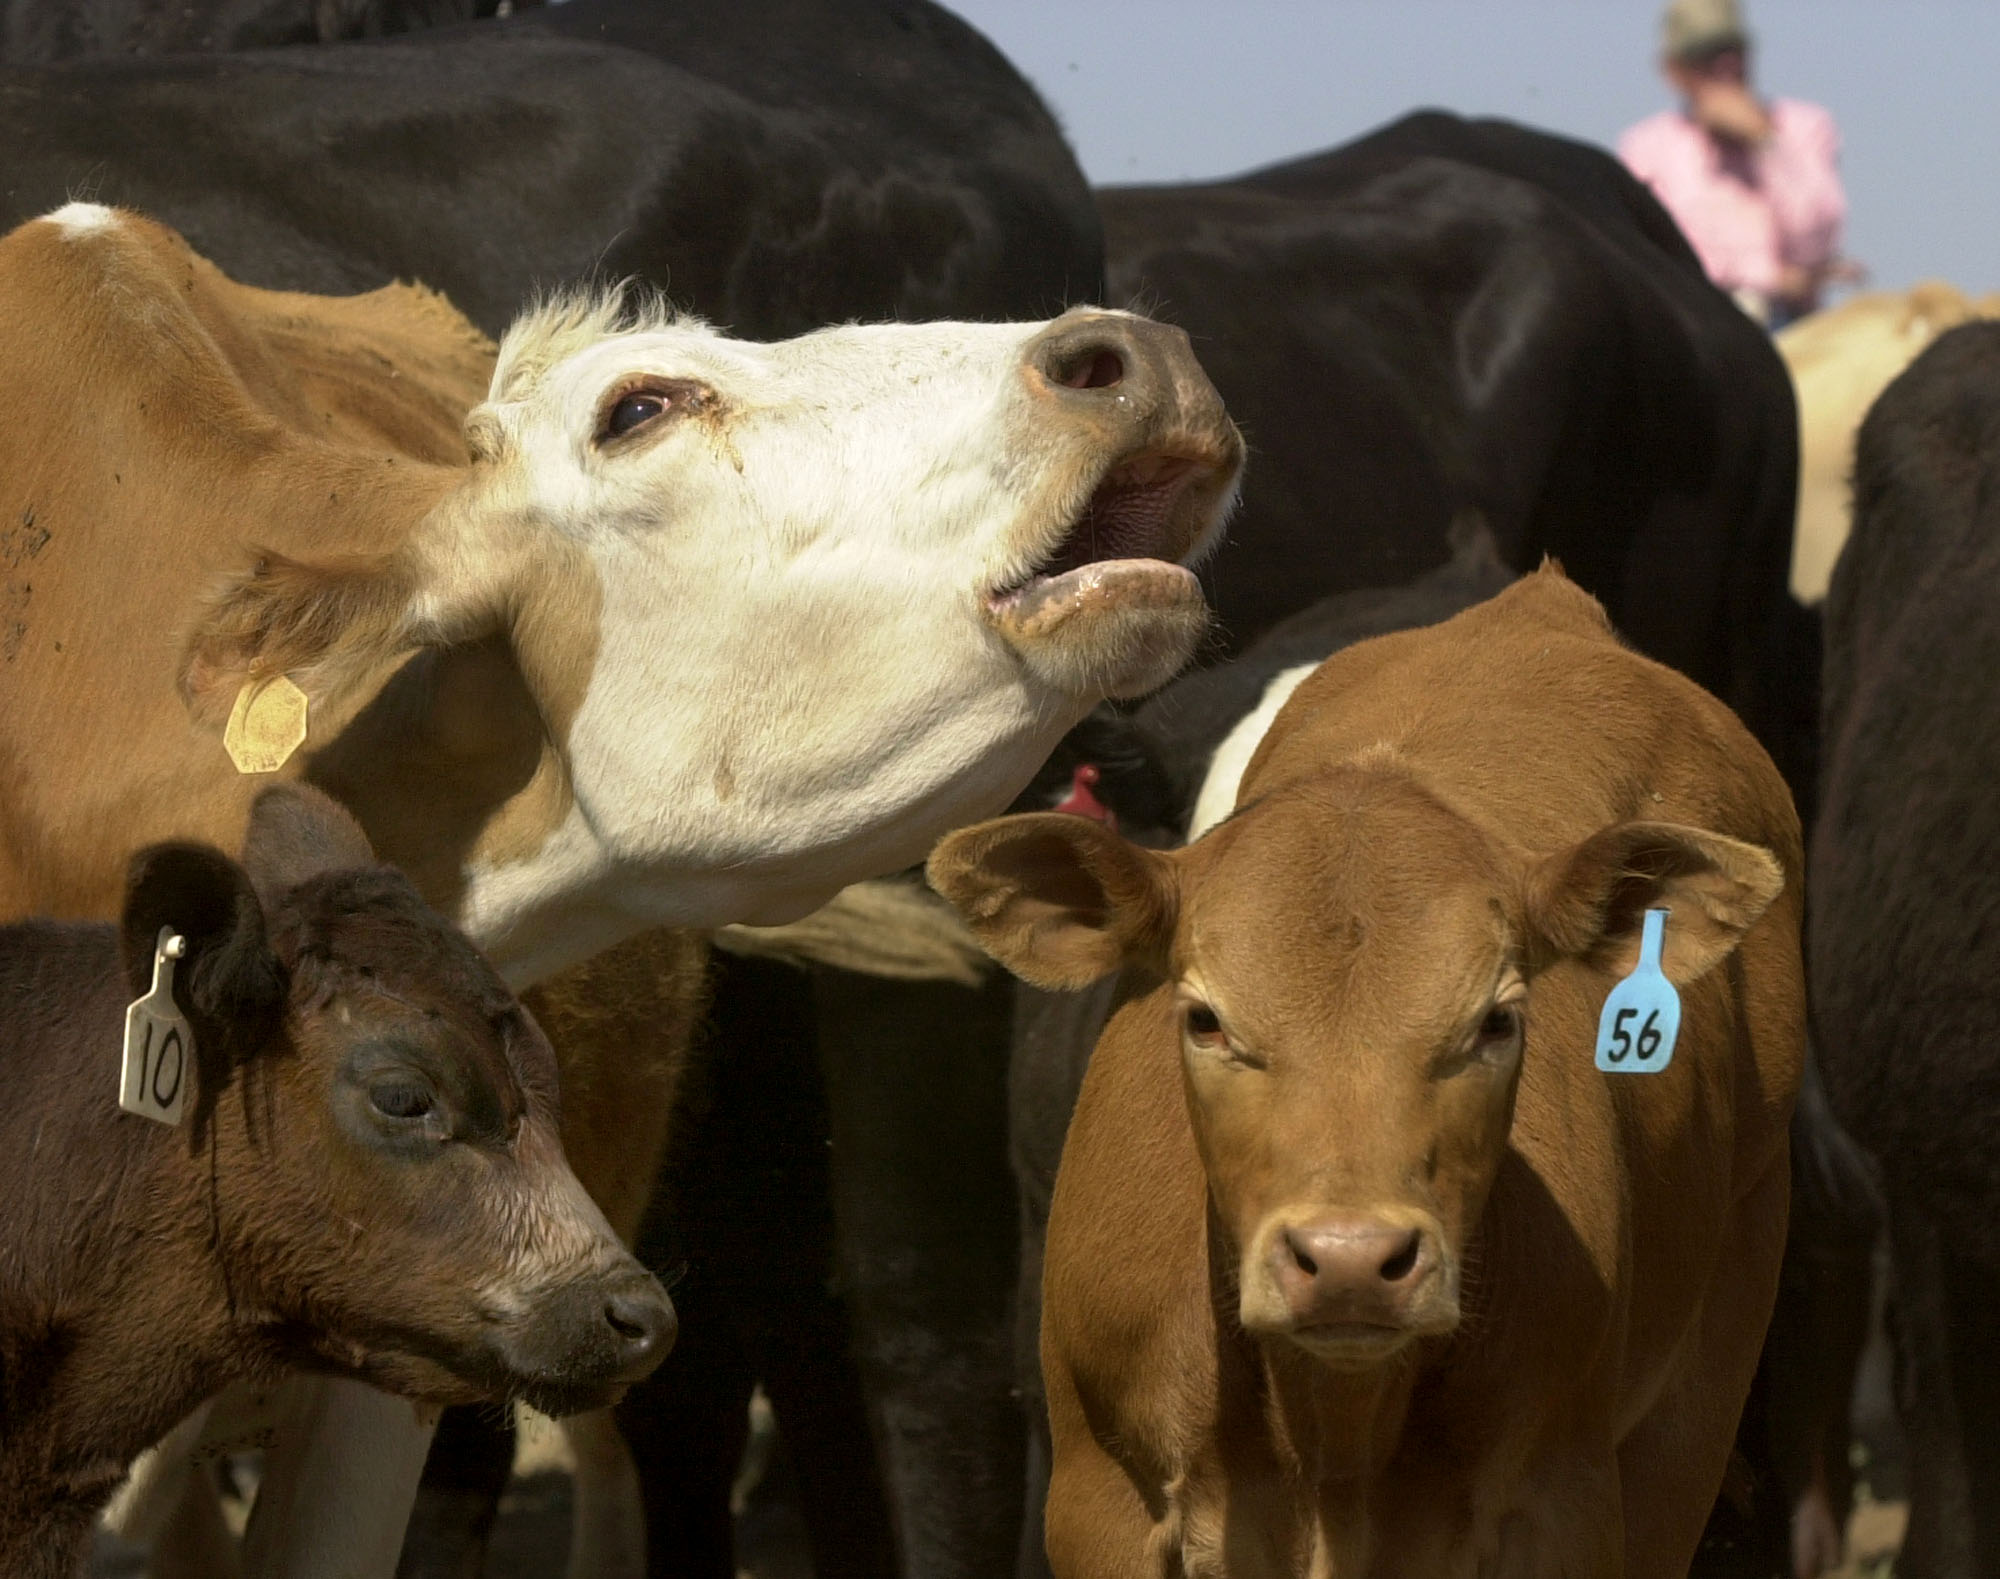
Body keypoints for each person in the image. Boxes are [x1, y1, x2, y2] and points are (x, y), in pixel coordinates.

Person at [1619, 0, 1859, 327]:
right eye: (1706, 57)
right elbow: (1655, 256)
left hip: (1790, 323)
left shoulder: (1806, 127)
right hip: (1695, 323)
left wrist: (1764, 141)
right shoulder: (1646, 147)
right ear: (1673, 71)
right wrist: (1769, 276)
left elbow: (1814, 242)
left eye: (1733, 51)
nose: (1726, 66)